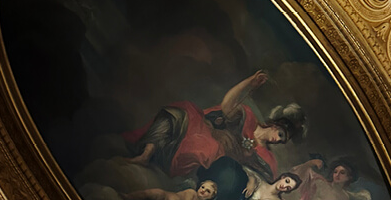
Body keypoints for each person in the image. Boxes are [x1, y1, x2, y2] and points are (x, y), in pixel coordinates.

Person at [122, 71, 306, 181]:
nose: (277, 140)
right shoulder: (248, 117)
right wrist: (249, 83)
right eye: (280, 134)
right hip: (204, 130)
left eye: (282, 140)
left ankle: (174, 174)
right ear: (275, 125)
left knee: (207, 149)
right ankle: (146, 154)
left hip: (217, 156)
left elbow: (262, 178)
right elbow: (227, 105)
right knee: (182, 111)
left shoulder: (266, 155)